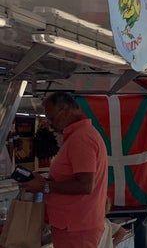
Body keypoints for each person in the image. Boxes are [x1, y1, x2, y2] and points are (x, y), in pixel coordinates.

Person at [20, 91, 108, 247]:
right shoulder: (80, 136)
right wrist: (42, 182)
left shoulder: (81, 138)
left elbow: (85, 185)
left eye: (51, 118)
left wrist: (45, 186)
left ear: (66, 111)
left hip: (76, 227)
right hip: (74, 225)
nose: (49, 123)